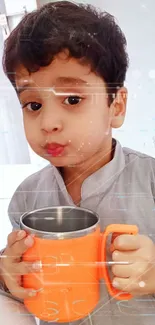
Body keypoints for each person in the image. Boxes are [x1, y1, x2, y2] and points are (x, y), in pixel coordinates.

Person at [0, 1, 155, 324]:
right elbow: (16, 287)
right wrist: (7, 274)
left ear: (116, 105)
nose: (48, 122)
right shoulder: (26, 197)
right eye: (32, 104)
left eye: (72, 99)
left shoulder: (150, 181)